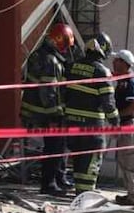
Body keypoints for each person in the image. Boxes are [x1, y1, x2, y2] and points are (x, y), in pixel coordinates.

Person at [20, 22, 74, 196]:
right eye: (65, 45)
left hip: (36, 110)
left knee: (59, 145)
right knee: (54, 147)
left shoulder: (41, 54)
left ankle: (59, 178)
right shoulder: (50, 61)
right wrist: (55, 115)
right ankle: (49, 184)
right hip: (44, 113)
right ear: (58, 40)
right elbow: (49, 92)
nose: (66, 49)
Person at [62, 32, 119, 194]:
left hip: (71, 125)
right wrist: (116, 122)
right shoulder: (102, 72)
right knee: (90, 162)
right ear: (104, 51)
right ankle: (86, 196)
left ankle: (79, 194)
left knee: (78, 159)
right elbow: (108, 104)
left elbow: (62, 93)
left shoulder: (71, 67)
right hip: (92, 128)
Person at [112, 49, 134, 206]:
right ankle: (131, 194)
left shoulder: (131, 81)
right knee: (124, 161)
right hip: (124, 125)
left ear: (124, 63)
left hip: (130, 125)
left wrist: (117, 117)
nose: (113, 62)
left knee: (132, 163)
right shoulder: (122, 80)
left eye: (117, 60)